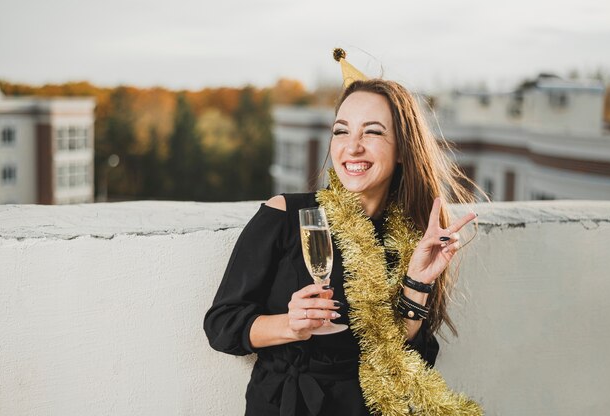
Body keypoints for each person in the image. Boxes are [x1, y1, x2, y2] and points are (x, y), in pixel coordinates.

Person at [204, 54, 482, 416]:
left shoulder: (415, 236)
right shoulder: (286, 215)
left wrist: (418, 283)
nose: (352, 146)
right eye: (341, 130)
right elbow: (222, 325)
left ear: (402, 149)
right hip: (287, 404)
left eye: (373, 131)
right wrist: (290, 325)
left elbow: (410, 360)